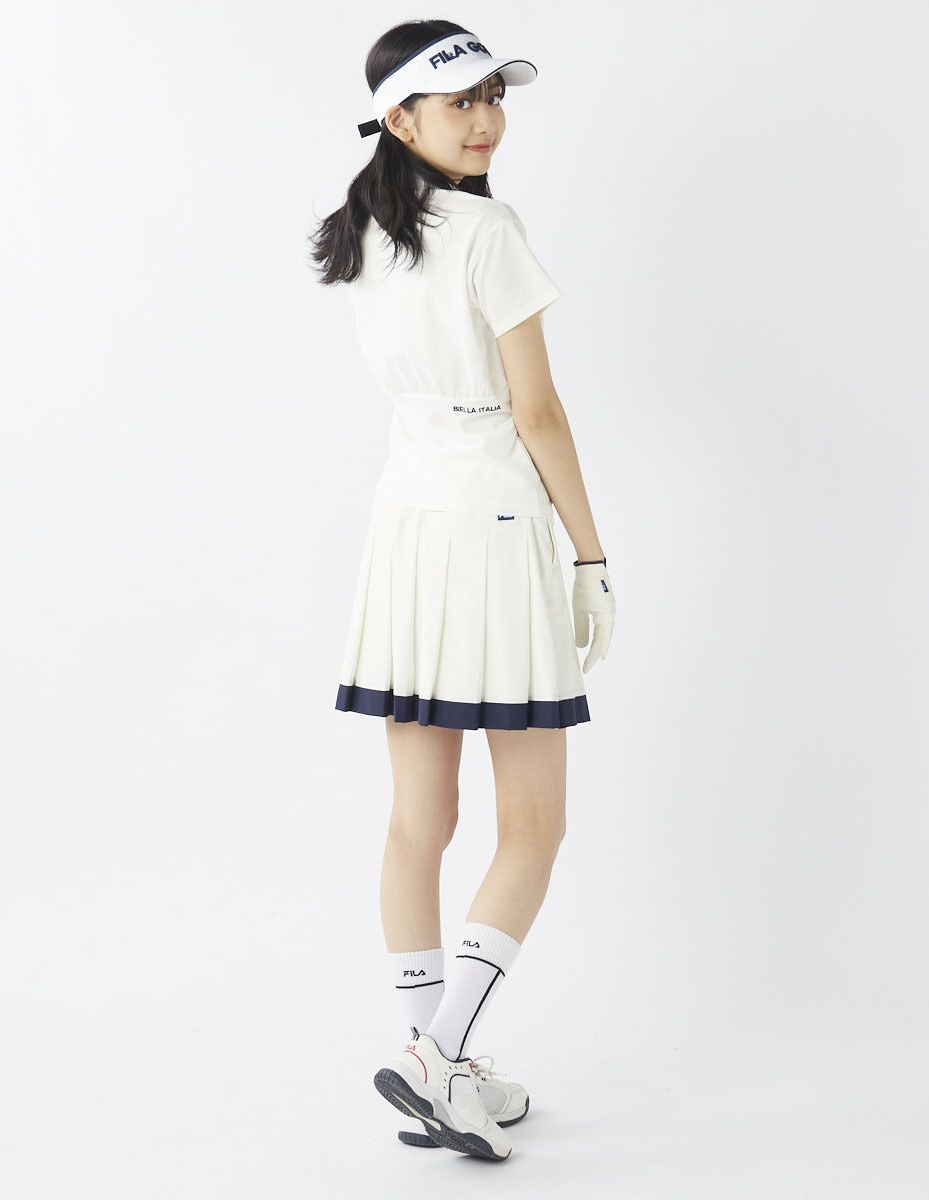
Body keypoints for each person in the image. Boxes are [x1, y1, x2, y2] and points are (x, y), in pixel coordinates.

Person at [309, 20, 616, 1161]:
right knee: (533, 824)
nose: (487, 120)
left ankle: (436, 1059)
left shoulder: (364, 230)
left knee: (418, 821)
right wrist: (590, 556)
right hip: (490, 529)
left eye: (494, 97)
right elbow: (537, 411)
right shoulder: (488, 229)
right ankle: (440, 1059)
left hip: (405, 530)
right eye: (460, 102)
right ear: (399, 119)